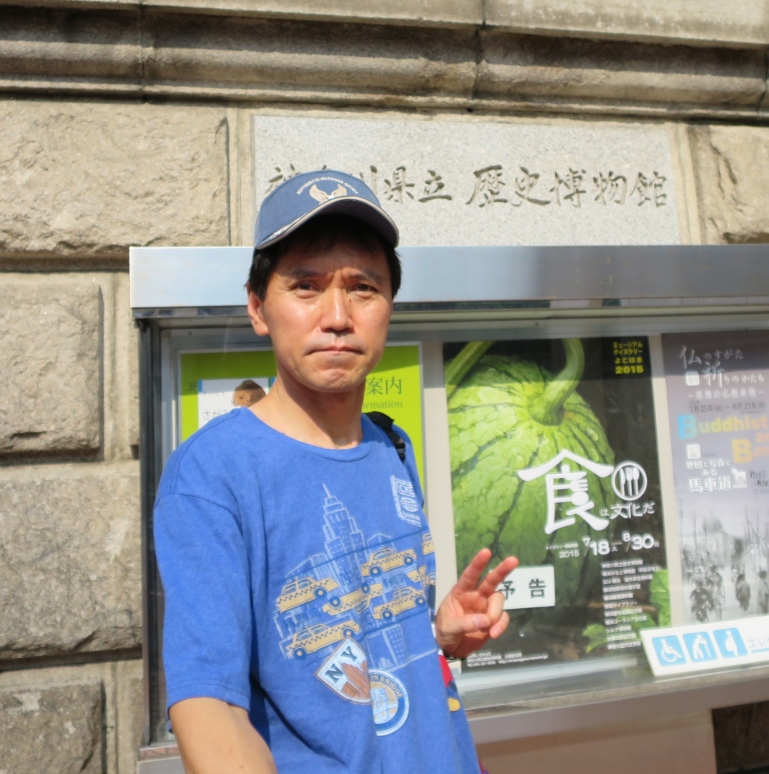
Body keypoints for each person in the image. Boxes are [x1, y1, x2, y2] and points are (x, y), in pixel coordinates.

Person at [154, 170, 519, 774]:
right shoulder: (212, 474)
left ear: (389, 308)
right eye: (306, 286)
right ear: (257, 307)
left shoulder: (390, 445)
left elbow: (350, 652)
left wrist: (436, 637)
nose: (338, 316)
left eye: (363, 288)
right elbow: (208, 705)